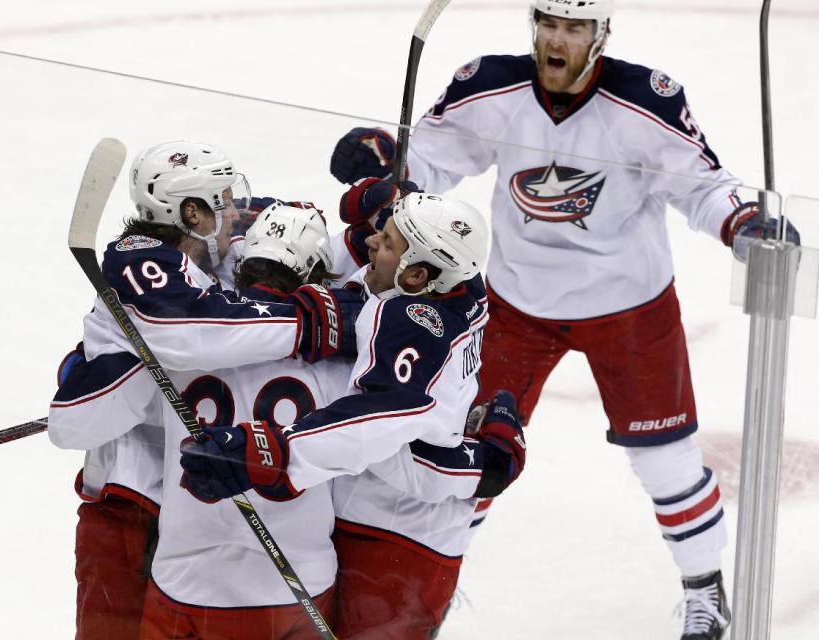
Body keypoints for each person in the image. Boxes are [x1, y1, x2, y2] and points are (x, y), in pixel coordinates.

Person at [328, 2, 802, 638]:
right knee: (463, 449)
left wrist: (744, 220)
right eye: (548, 23)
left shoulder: (645, 101)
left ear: (600, 35)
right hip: (516, 304)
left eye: (573, 28)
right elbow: (429, 163)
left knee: (664, 459)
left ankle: (704, 590)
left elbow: (703, 184)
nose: (557, 39)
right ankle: (434, 576)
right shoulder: (488, 84)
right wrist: (387, 164)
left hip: (628, 306)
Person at [48, 140, 362, 640]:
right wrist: (306, 321)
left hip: (185, 510)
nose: (236, 210)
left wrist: (365, 232)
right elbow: (186, 334)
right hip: (130, 500)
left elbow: (286, 235)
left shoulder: (212, 254)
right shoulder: (141, 257)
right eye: (224, 198)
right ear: (192, 213)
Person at [180, 191, 529, 638]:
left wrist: (275, 452)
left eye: (385, 242)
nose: (370, 245)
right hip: (377, 520)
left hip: (397, 539)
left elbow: (384, 414)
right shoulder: (461, 281)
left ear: (418, 275)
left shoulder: (410, 320)